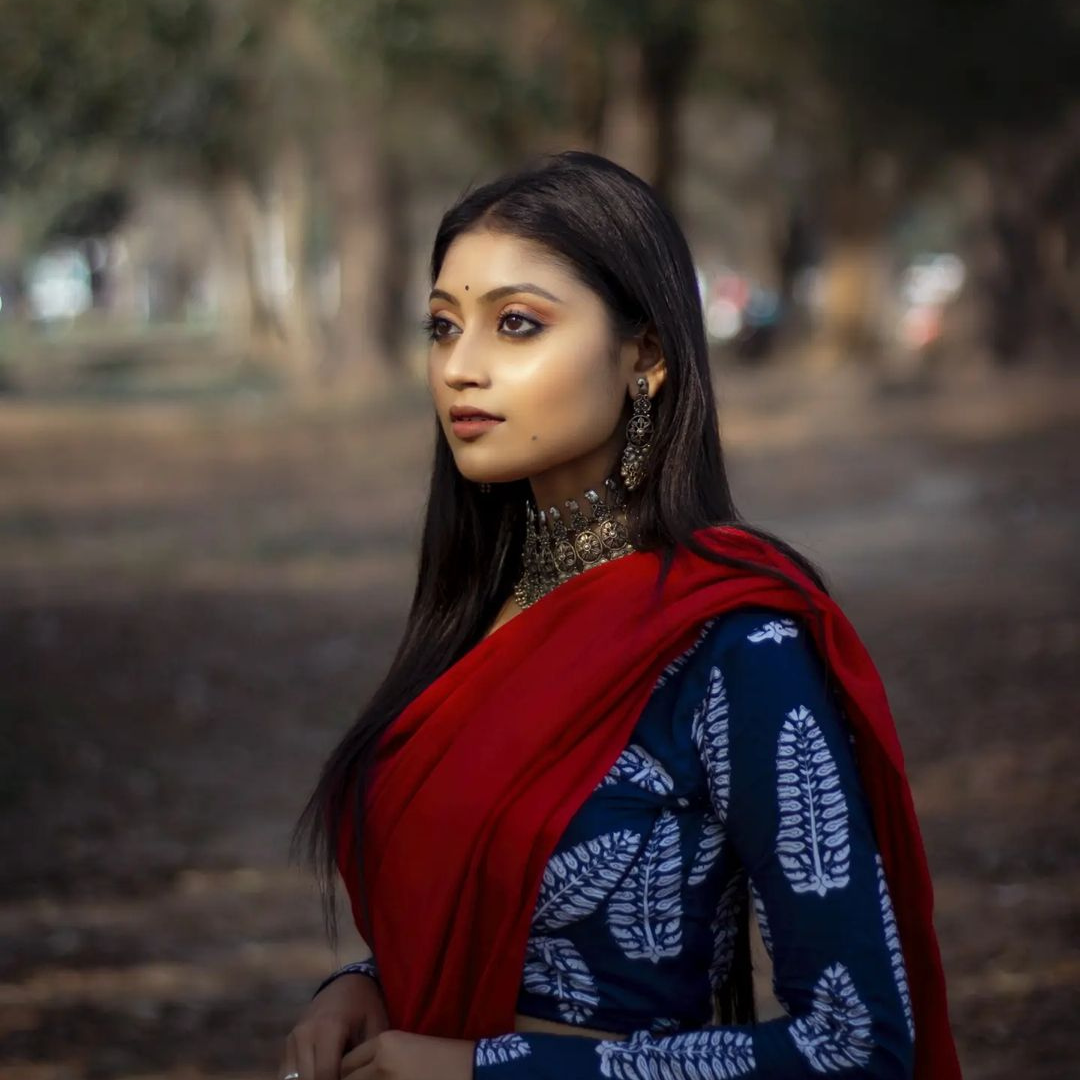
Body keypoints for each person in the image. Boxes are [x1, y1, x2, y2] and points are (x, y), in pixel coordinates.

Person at [281, 151, 961, 1080]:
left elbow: (857, 1047)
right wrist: (365, 982)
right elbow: (483, 898)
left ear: (645, 355)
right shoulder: (483, 612)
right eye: (442, 327)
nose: (461, 368)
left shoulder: (736, 642)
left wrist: (490, 1072)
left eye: (516, 324)